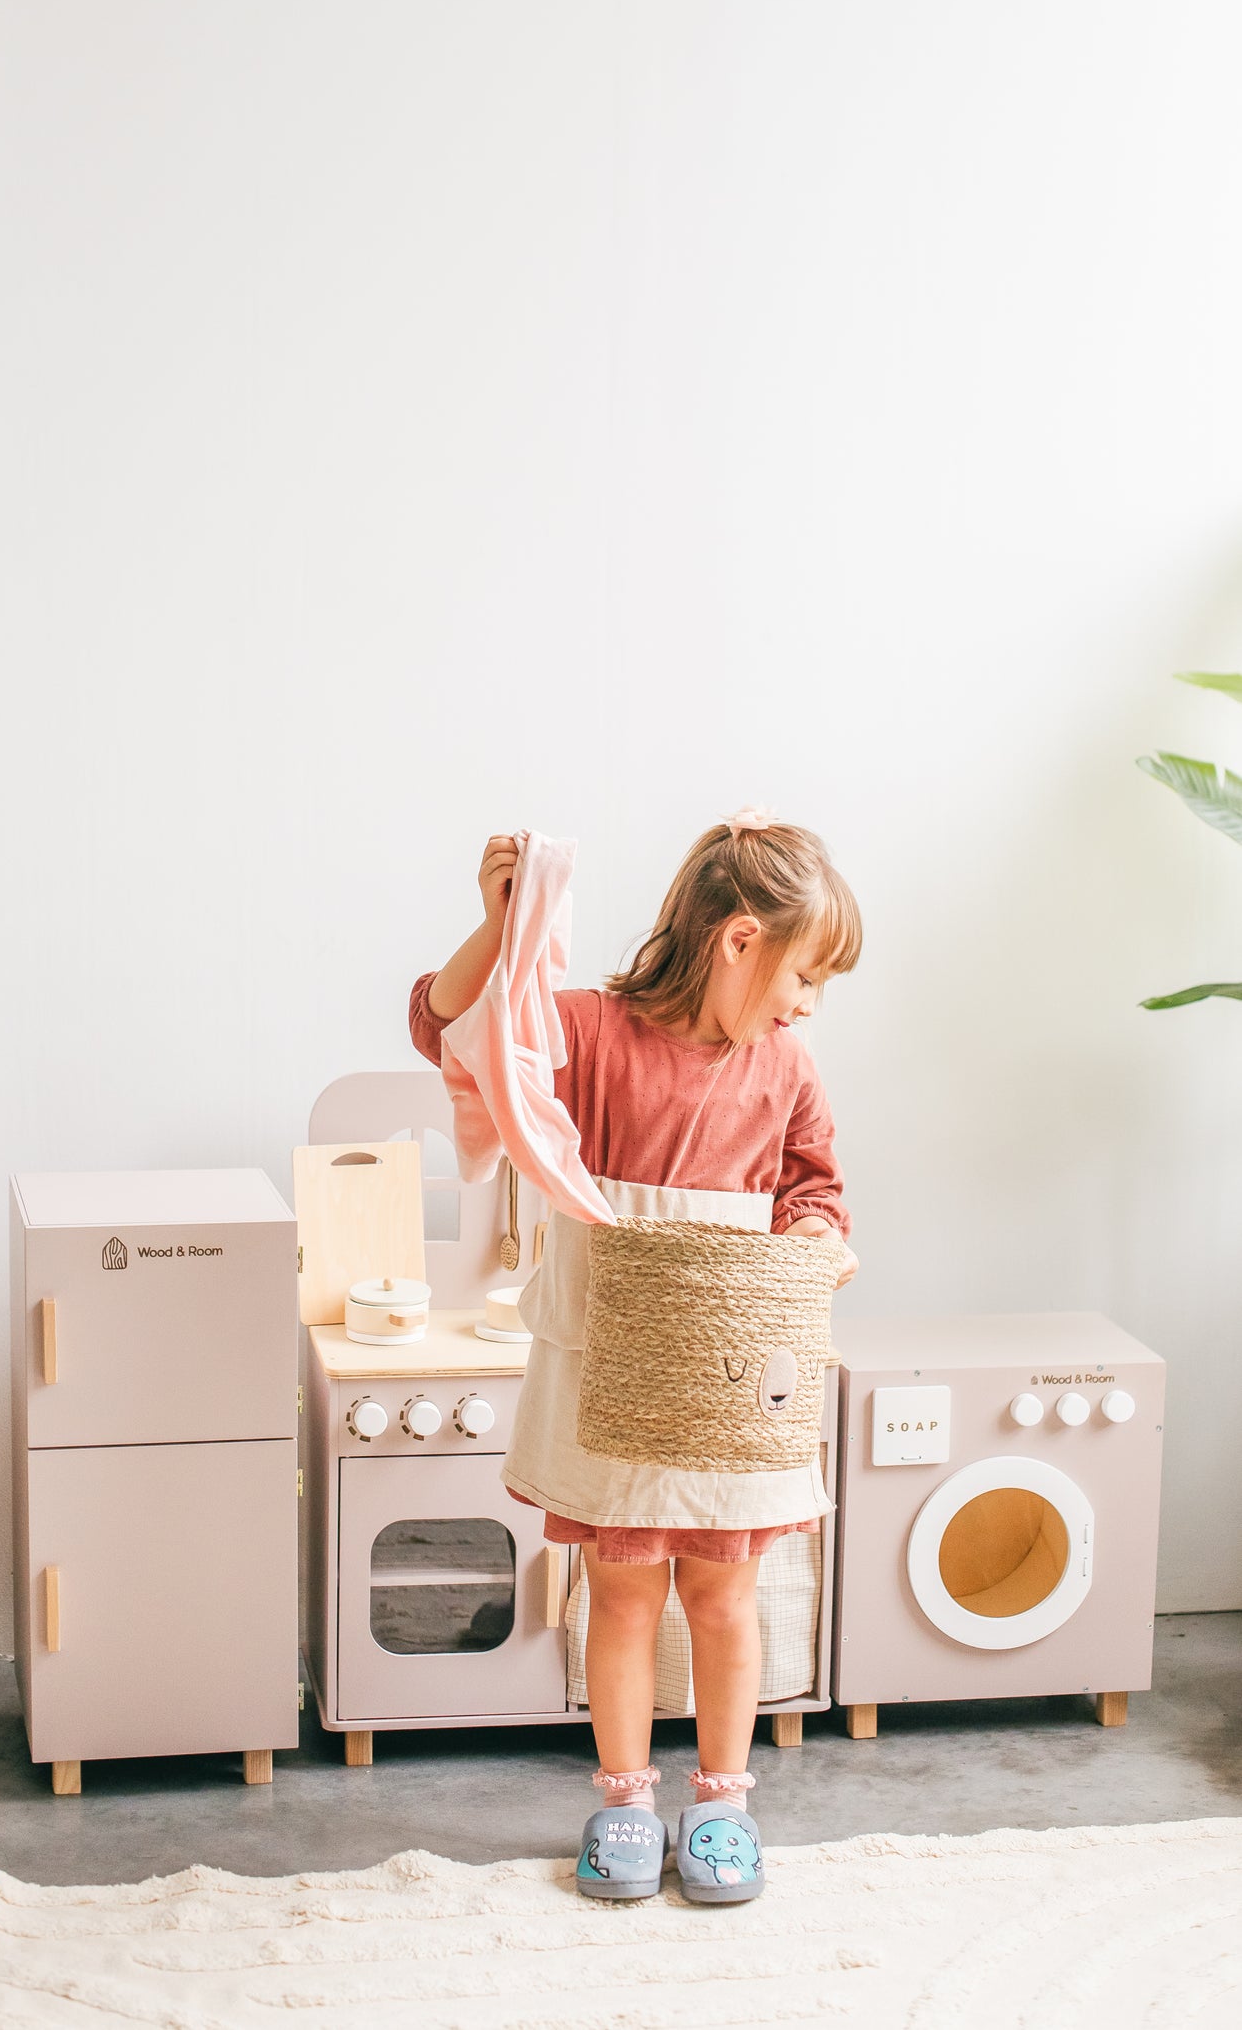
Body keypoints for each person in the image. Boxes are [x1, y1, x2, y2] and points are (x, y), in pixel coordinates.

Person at [409, 811, 860, 1903]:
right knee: (616, 1594)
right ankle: (620, 1798)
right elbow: (452, 1027)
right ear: (738, 939)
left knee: (724, 1596)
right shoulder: (590, 1032)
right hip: (615, 1370)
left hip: (730, 1382)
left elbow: (816, 1192)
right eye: (805, 973)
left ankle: (719, 1801)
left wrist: (810, 1244)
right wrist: (498, 924)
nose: (807, 1003)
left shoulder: (786, 1066)